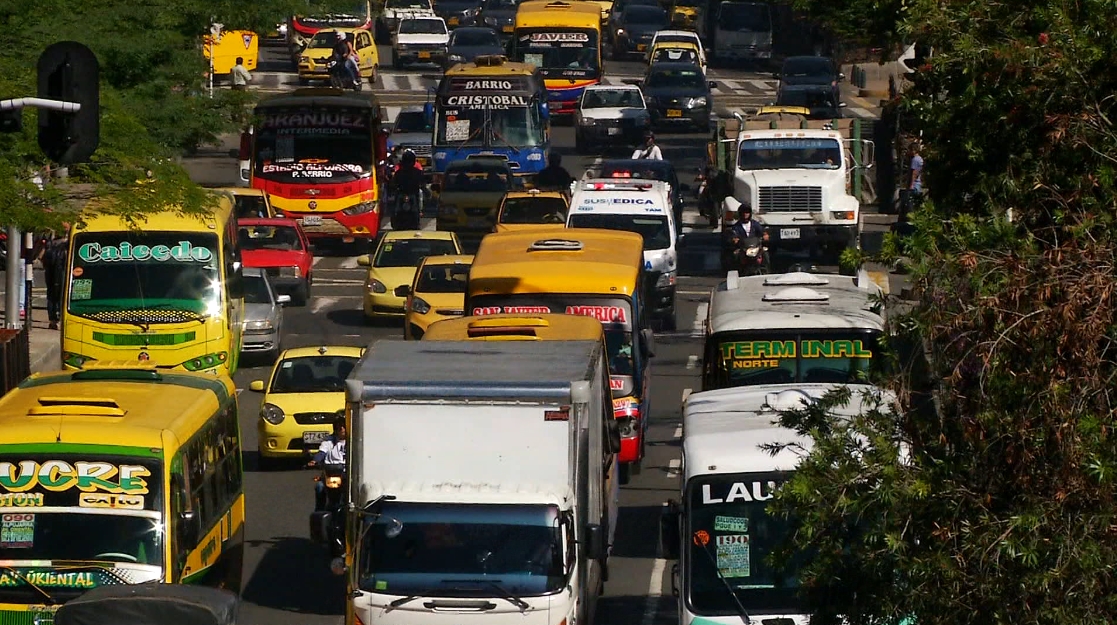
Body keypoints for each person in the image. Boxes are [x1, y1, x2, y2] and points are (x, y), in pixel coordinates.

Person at [308, 420, 347, 511]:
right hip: (330, 474)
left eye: (343, 426)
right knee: (319, 487)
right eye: (339, 427)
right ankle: (319, 511)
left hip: (347, 475)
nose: (342, 429)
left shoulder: (355, 441)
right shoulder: (329, 441)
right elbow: (322, 453)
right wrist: (315, 460)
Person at [41, 224, 69, 331]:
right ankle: (59, 318)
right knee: (62, 296)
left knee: (51, 296)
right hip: (61, 273)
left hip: (50, 274)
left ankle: (52, 320)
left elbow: (42, 259)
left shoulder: (50, 244)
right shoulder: (66, 246)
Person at [392, 150, 425, 214]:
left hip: (412, 193)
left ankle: (419, 211)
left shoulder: (399, 172)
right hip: (403, 193)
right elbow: (394, 183)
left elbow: (422, 183)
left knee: (420, 194)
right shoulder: (417, 172)